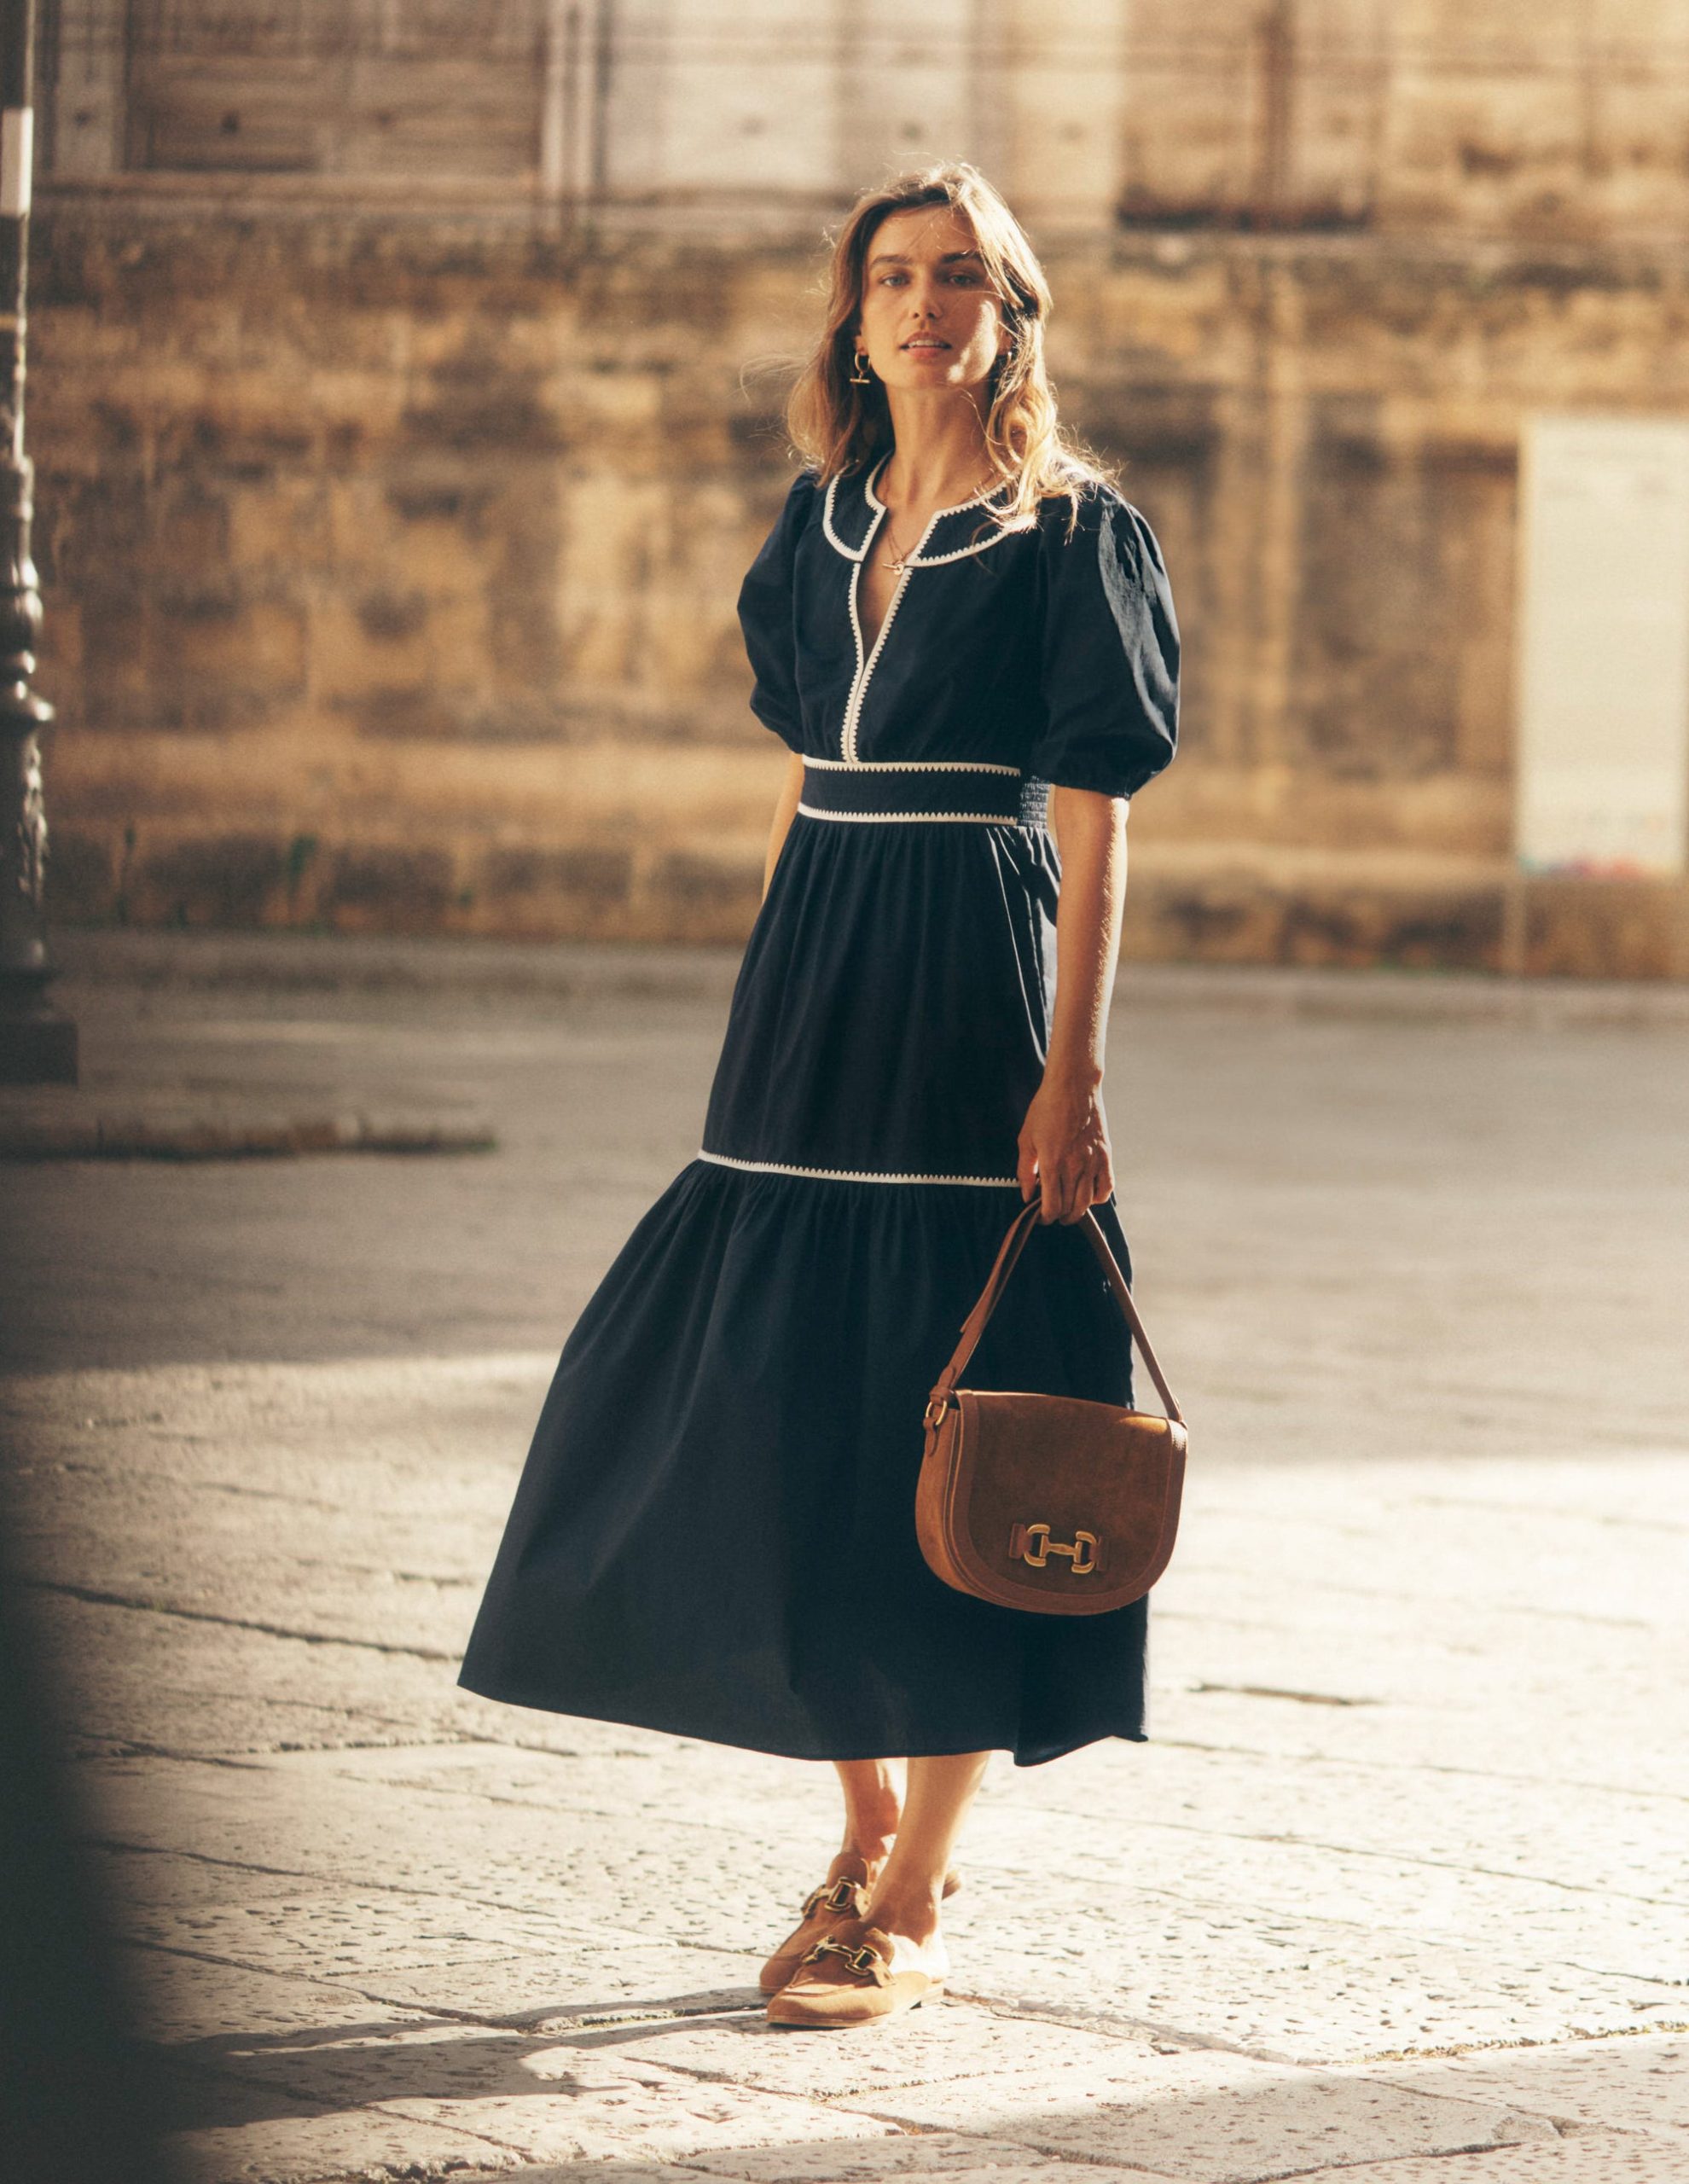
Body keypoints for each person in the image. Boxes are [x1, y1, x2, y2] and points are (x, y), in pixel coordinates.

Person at [458, 162, 1179, 2030]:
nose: (926, 305)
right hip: (811, 975)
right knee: (782, 1399)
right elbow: (806, 783)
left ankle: (918, 1887)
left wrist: (1075, 1072)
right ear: (855, 319)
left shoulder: (1075, 532)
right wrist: (770, 989)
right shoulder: (819, 516)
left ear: (1011, 314)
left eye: (962, 277)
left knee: (964, 1393)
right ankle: (855, 1829)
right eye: (894, 277)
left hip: (971, 969)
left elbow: (1096, 827)